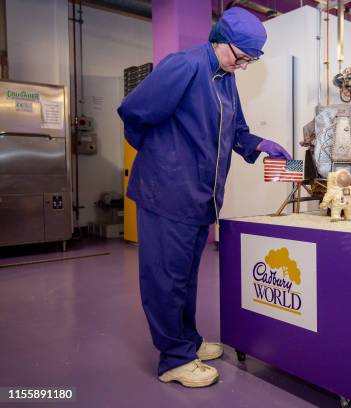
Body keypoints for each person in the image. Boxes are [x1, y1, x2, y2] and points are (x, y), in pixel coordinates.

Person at [117, 7, 291, 388]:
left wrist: (258, 143)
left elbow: (237, 130)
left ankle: (188, 342)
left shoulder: (225, 77)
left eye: (249, 60)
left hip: (200, 197)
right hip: (167, 192)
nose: (243, 66)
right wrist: (162, 155)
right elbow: (134, 111)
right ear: (221, 41)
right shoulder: (185, 66)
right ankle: (173, 360)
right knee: (165, 278)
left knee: (185, 278)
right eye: (242, 58)